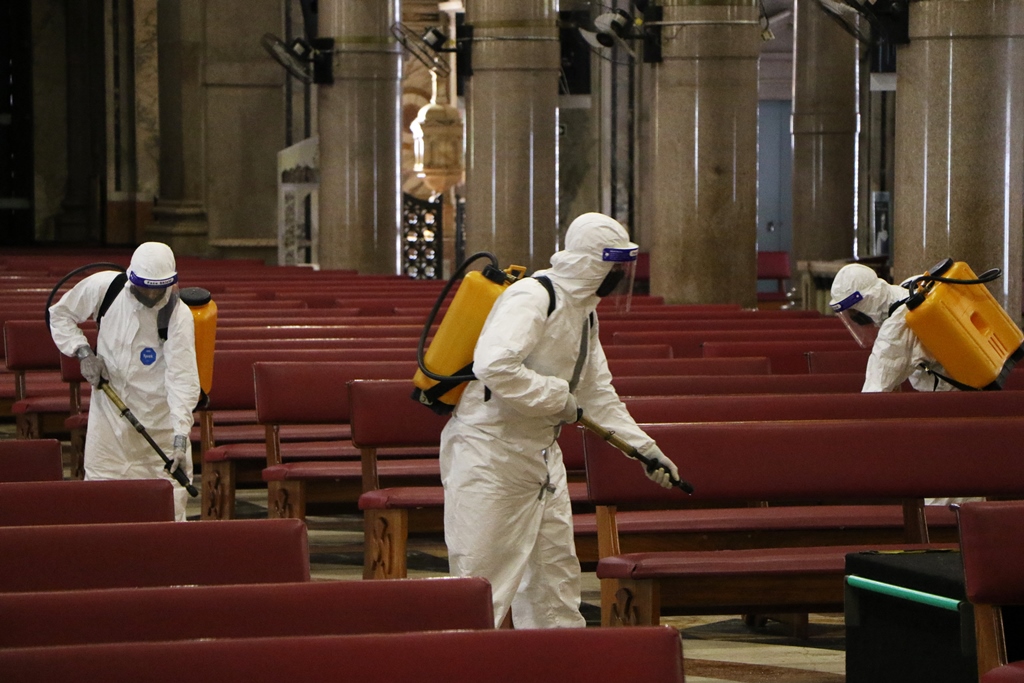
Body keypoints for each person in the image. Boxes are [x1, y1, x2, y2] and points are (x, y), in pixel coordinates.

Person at [439, 212, 680, 629]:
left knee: (555, 584)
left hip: (541, 458)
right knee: (482, 585)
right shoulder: (533, 296)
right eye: (614, 265)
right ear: (590, 260)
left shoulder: (584, 311)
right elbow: (494, 365)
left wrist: (644, 449)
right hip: (489, 454)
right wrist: (556, 398)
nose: (618, 276)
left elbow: (596, 391)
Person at [48, 242, 200, 521]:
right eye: (146, 287)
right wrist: (83, 354)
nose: (153, 294)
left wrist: (180, 439)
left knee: (166, 512)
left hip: (159, 426)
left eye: (159, 288)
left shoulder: (177, 315)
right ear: (132, 278)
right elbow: (59, 315)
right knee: (102, 505)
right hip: (109, 422)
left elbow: (183, 380)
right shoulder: (106, 288)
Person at [829, 263, 955, 393]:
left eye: (853, 312)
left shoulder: (895, 329)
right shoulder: (912, 287)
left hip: (954, 398)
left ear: (864, 303)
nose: (855, 318)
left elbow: (873, 394)